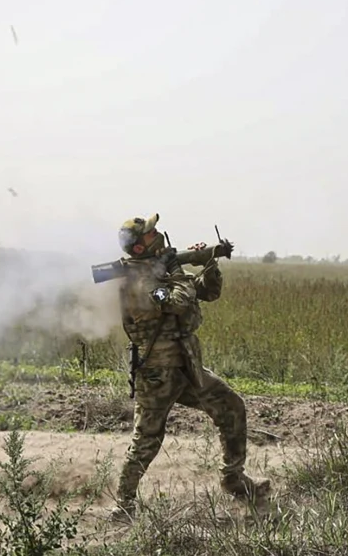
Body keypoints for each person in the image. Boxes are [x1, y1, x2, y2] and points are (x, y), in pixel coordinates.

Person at [112, 213, 269, 519]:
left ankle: (234, 480)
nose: (156, 233)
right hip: (157, 373)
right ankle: (123, 505)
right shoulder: (139, 282)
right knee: (147, 439)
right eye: (150, 233)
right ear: (139, 247)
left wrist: (209, 263)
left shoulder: (155, 271)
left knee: (231, 407)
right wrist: (177, 269)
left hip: (184, 366)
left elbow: (206, 292)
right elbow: (177, 300)